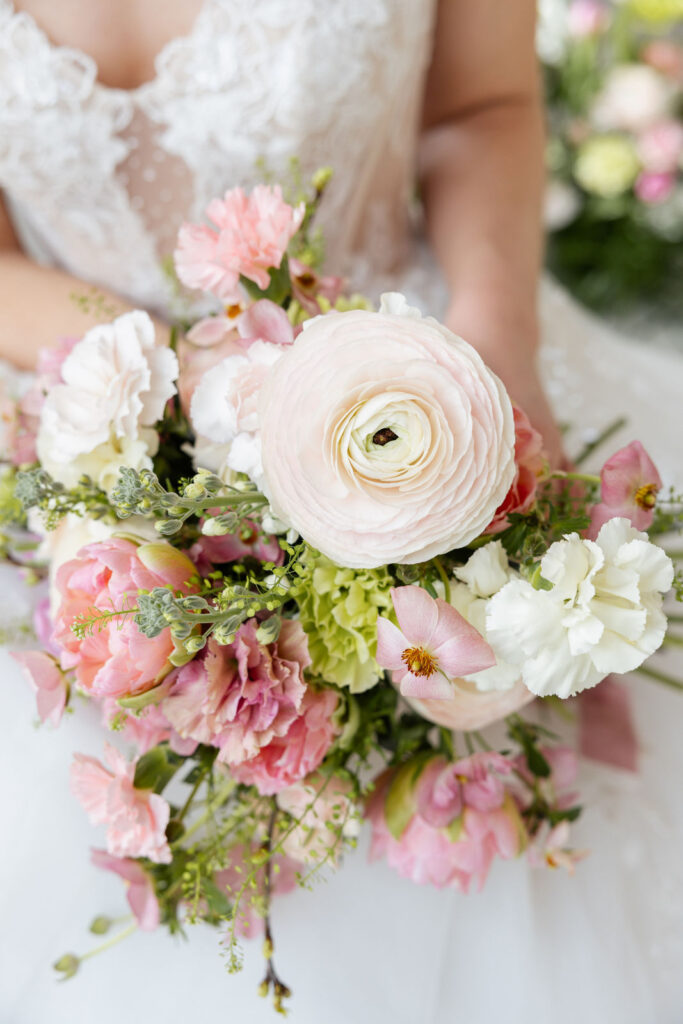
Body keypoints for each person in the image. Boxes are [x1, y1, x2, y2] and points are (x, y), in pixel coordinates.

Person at [0, 1, 681, 1022]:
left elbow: (479, 104)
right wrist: (189, 387)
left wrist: (494, 340)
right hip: (75, 431)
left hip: (432, 369)